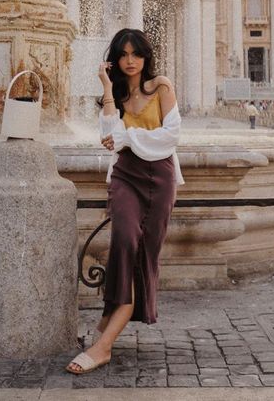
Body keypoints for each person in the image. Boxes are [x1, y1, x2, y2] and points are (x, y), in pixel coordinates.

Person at [66, 28, 184, 374]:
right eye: (123, 55)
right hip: (125, 176)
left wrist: (128, 136)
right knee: (122, 242)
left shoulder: (161, 86)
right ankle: (103, 345)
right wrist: (105, 87)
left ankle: (105, 332)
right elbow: (107, 136)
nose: (130, 61)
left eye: (136, 54)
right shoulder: (113, 96)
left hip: (159, 178)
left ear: (146, 57)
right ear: (115, 59)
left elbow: (172, 135)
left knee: (141, 253)